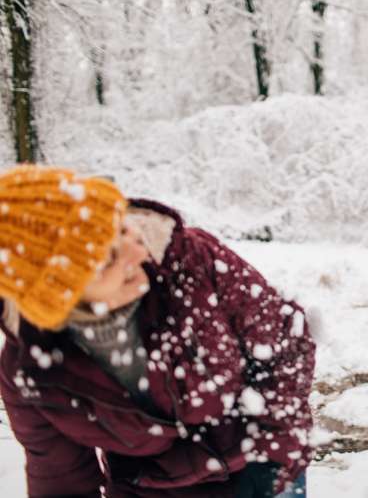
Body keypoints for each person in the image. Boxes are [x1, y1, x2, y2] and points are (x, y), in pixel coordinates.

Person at [0, 166, 316, 497]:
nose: (137, 251)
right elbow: (63, 482)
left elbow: (285, 340)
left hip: (262, 466)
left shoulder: (192, 262)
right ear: (58, 295)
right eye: (108, 258)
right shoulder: (32, 375)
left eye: (122, 230)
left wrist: (273, 457)